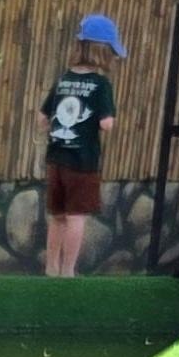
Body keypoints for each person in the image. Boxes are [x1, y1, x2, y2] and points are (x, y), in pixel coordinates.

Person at [38, 14, 119, 278]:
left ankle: (51, 268)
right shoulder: (101, 84)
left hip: (56, 158)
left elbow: (42, 118)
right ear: (103, 51)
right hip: (83, 161)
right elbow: (106, 124)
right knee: (76, 216)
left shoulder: (63, 80)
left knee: (58, 216)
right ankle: (68, 271)